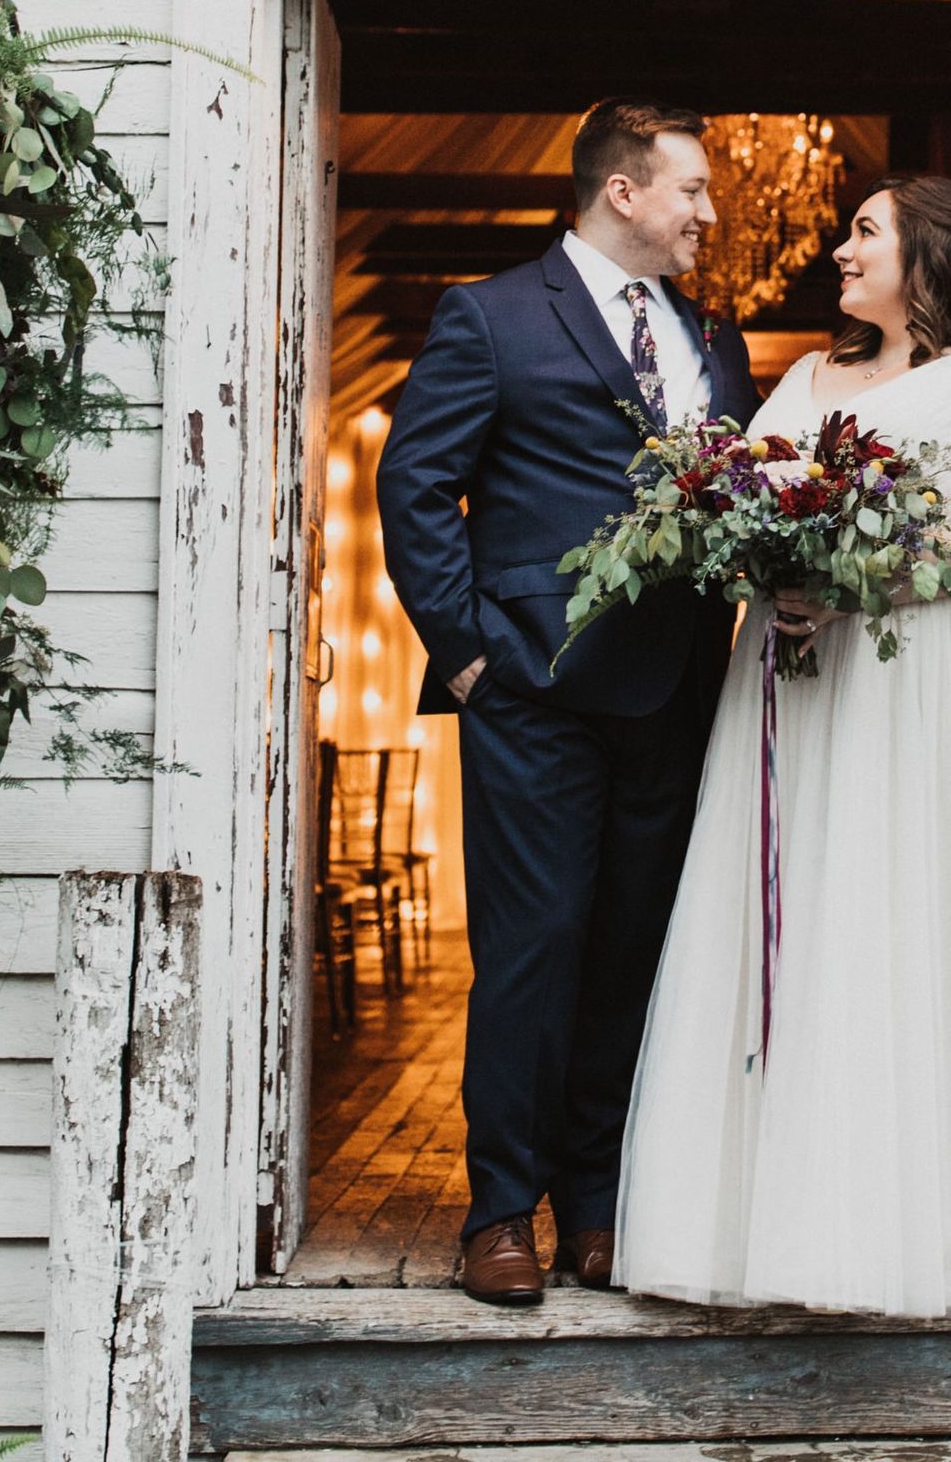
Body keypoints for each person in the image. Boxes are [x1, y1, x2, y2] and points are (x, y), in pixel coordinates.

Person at [614, 174, 951, 1316]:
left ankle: (945, 1221)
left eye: (863, 232)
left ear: (933, 253)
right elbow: (735, 500)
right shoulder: (806, 376)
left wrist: (860, 580)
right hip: (804, 687)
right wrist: (775, 571)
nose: (840, 251)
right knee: (815, 927)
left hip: (938, 682)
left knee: (927, 922)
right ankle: (783, 1222)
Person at [378, 98, 760, 1306]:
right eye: (692, 190)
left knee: (634, 951)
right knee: (532, 952)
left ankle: (598, 1205)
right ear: (623, 192)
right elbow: (414, 485)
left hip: (678, 690)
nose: (709, 213)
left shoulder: (712, 336)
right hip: (531, 693)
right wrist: (470, 653)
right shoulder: (489, 317)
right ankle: (501, 1211)